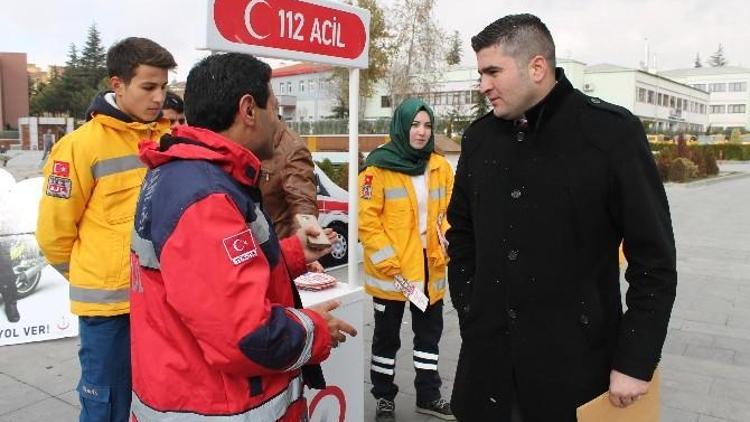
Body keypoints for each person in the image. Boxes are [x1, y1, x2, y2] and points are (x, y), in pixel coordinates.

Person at [446, 14, 677, 422]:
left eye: (492, 71)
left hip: (576, 375)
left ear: (537, 67)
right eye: (481, 73)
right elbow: (461, 237)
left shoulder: (609, 133)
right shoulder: (478, 139)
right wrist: (471, 311)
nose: (483, 85)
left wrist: (636, 359)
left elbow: (654, 258)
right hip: (487, 375)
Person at [128, 52, 357, 421]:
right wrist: (317, 330)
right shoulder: (204, 197)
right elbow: (244, 335)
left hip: (194, 390)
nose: (278, 123)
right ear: (248, 109)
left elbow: (224, 277)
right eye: (275, 109)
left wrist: (296, 252)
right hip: (220, 403)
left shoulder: (192, 175)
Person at [36, 37, 176, 422]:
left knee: (161, 403)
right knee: (108, 409)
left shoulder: (168, 139)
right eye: (148, 87)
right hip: (110, 311)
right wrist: (89, 273)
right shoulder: (79, 147)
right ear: (117, 85)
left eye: (163, 87)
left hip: (164, 301)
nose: (158, 97)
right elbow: (53, 235)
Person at [359, 98, 455, 421]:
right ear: (402, 126)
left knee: (429, 338)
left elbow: (449, 213)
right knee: (386, 340)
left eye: (427, 125)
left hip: (430, 269)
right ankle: (384, 397)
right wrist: (390, 264)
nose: (421, 132)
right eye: (415, 124)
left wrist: (448, 233)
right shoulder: (378, 166)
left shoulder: (440, 166)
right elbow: (368, 223)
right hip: (392, 274)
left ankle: (428, 395)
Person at [260, 117, 324, 272]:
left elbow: (303, 204)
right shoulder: (241, 138)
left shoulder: (290, 147)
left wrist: (299, 250)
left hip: (275, 254)